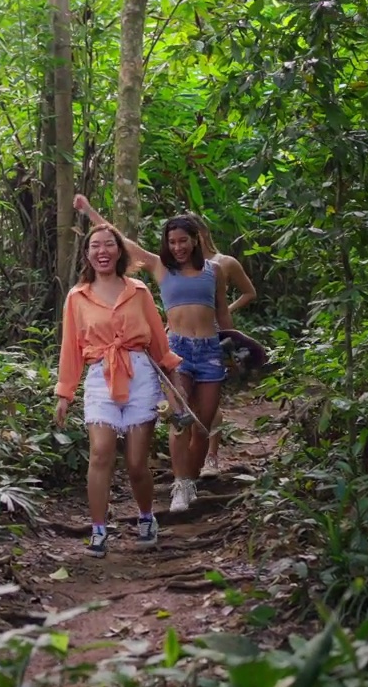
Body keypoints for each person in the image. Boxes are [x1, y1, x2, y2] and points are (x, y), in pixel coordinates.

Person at [72, 195, 232, 514]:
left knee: (203, 424)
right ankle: (180, 486)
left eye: (183, 241)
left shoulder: (214, 271)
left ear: (195, 241)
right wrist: (89, 211)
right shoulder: (160, 268)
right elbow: (121, 241)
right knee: (179, 419)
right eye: (171, 242)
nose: (177, 247)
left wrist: (234, 345)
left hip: (211, 350)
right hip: (177, 350)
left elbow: (223, 313)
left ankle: (191, 476)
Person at [54, 223, 183, 558]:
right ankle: (98, 529)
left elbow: (158, 342)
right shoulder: (77, 296)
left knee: (137, 462)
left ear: (119, 250)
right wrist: (65, 393)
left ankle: (145, 517)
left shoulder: (138, 290)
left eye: (109, 245)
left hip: (140, 376)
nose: (102, 252)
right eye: (95, 246)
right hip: (100, 377)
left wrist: (174, 389)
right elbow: (70, 347)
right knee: (100, 453)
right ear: (87, 254)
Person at [197, 225, 257, 477]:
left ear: (202, 232)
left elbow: (249, 292)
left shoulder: (224, 262)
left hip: (214, 332)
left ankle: (211, 457)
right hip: (183, 334)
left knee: (210, 397)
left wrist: (225, 312)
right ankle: (191, 458)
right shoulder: (181, 265)